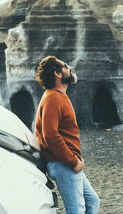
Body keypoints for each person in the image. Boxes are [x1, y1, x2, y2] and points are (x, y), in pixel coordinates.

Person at [34, 55, 100, 214]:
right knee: (76, 210)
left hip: (67, 162)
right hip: (64, 164)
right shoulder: (53, 98)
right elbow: (50, 135)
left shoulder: (57, 96)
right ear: (57, 74)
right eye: (65, 66)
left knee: (92, 201)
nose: (70, 67)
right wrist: (72, 161)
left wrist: (74, 159)